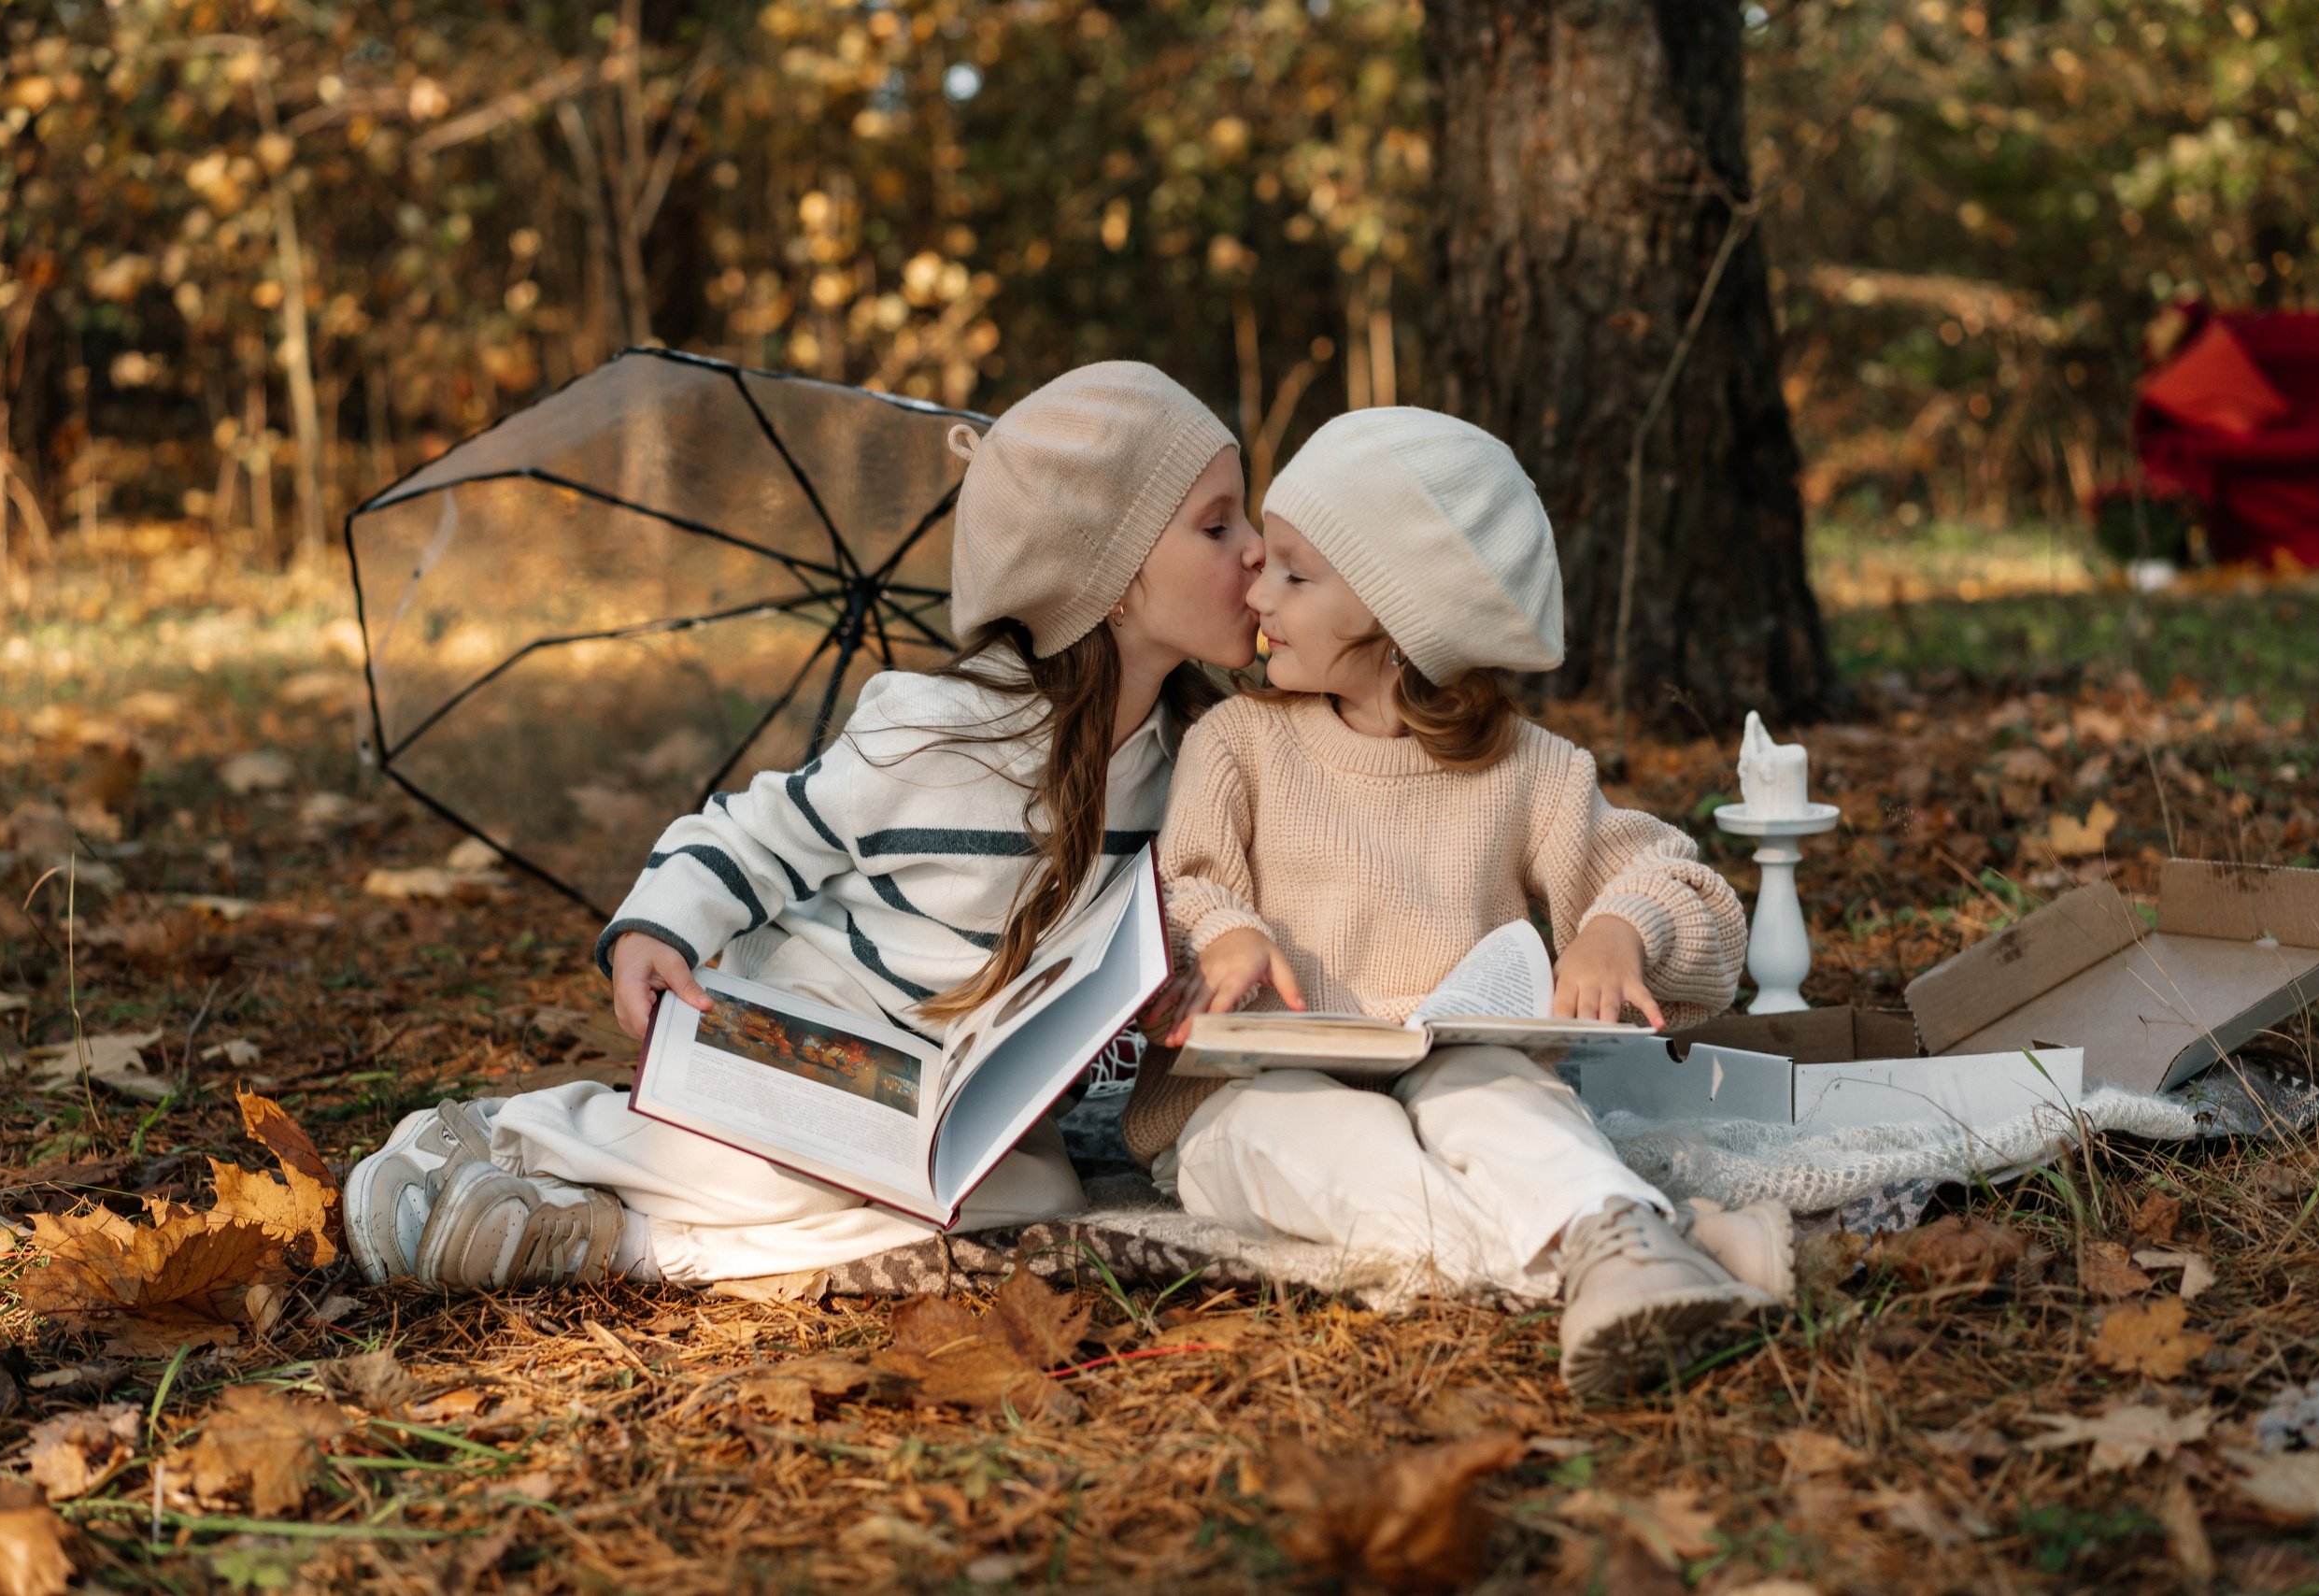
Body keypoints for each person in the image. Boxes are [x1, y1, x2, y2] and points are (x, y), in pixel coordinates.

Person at [344, 363, 1264, 1293]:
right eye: (1218, 525)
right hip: (816, 1038)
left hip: (956, 1096)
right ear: (1108, 570)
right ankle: (509, 1139)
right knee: (775, 1170)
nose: (1258, 550)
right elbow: (757, 831)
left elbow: (1155, 924)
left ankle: (606, 1235)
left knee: (1034, 1206)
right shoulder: (936, 731)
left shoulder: (1189, 756)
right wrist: (662, 925)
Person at [1124, 406, 1791, 1395]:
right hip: (1246, 1091)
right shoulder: (1239, 742)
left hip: (1448, 1062)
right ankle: (1659, 1248)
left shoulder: (1530, 770)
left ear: (1400, 620)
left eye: (1297, 574)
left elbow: (1682, 890)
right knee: (1323, 1152)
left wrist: (1617, 929)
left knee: (1501, 1103)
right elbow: (1186, 879)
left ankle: (1620, 1247)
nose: (1256, 585)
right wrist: (1222, 934)